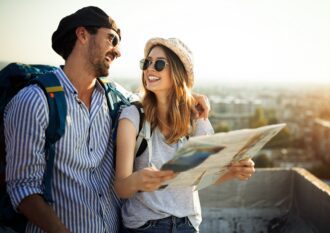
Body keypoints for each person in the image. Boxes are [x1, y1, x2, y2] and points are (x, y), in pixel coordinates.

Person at [4, 6, 211, 233]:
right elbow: (23, 189)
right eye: (112, 39)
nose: (118, 51)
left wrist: (189, 98)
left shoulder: (115, 98)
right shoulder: (34, 101)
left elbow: (157, 98)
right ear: (82, 35)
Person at [114, 37, 255, 233]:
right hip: (146, 226)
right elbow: (121, 186)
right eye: (146, 62)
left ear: (178, 73)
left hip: (188, 225)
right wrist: (138, 181)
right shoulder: (133, 116)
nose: (149, 69)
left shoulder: (196, 118)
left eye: (159, 64)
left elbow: (201, 176)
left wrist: (233, 171)